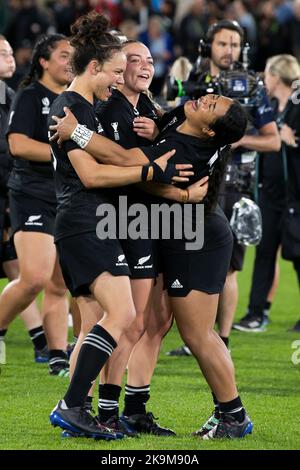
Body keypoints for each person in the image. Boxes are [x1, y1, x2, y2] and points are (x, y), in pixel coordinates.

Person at [50, 92, 254, 439]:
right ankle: (131, 410)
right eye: (213, 97)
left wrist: (77, 132)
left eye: (212, 107)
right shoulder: (179, 121)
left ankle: (233, 414)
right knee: (152, 323)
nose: (205, 100)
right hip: (168, 230)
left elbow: (127, 161)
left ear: (209, 132)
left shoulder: (184, 148)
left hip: (196, 236)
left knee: (197, 334)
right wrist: (157, 122)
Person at [48, 12, 193, 440]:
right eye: (115, 70)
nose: (118, 79)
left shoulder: (84, 111)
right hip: (82, 217)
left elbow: (118, 157)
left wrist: (144, 161)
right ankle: (73, 405)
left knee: (113, 319)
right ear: (95, 67)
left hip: (98, 218)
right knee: (122, 314)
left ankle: (78, 413)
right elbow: (92, 176)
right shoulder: (67, 110)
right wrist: (152, 172)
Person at [167, 19, 281, 353]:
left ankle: (223, 338)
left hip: (236, 185)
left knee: (228, 267)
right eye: (223, 44)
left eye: (234, 44)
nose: (229, 51)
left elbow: (273, 141)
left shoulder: (253, 85)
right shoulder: (196, 80)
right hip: (195, 181)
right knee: (191, 259)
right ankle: (198, 334)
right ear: (208, 47)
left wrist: (232, 140)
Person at [0, 34, 73, 367]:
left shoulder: (76, 99)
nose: (70, 61)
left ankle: (57, 354)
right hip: (31, 193)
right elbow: (18, 145)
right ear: (44, 61)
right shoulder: (30, 96)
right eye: (63, 55)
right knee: (35, 277)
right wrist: (64, 155)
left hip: (66, 195)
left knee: (61, 281)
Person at [234, 54, 300, 333]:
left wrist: (293, 142)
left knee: (298, 255)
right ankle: (256, 313)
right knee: (264, 251)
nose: (264, 80)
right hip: (269, 192)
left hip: (296, 194)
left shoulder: (298, 106)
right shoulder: (270, 106)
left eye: (267, 75)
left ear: (277, 75)